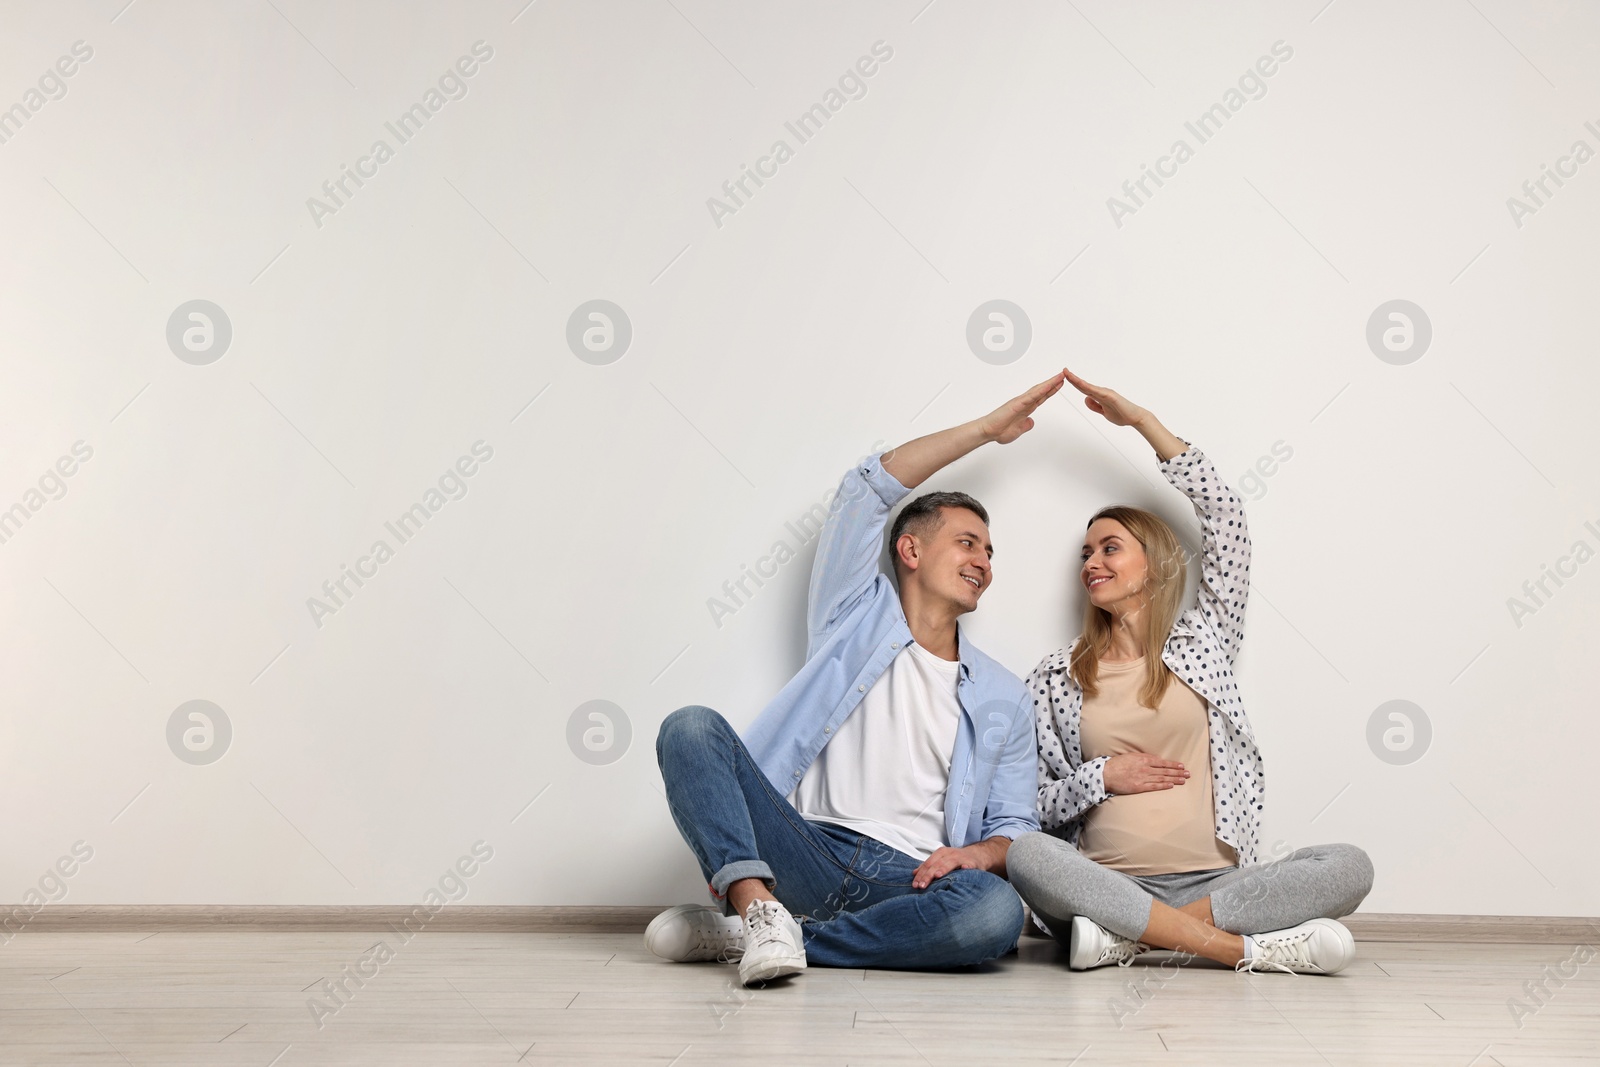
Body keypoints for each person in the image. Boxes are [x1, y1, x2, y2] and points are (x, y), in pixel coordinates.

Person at [647, 374, 1066, 987]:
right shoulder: (852, 616)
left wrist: (975, 856)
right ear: (910, 551)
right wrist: (983, 431)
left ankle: (757, 933)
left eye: (990, 552)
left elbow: (1014, 828)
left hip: (911, 878)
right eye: (967, 543)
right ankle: (760, 904)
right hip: (803, 849)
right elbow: (865, 491)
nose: (983, 561)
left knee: (995, 914)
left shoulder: (1005, 693)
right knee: (689, 729)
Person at [1006, 369, 1375, 976]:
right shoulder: (1055, 676)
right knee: (1026, 854)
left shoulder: (1203, 643)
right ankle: (1239, 950)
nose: (1091, 562)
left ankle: (1134, 940)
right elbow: (1035, 805)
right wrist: (1102, 775)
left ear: (1152, 564)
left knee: (1348, 864)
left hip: (1215, 885)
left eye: (1109, 548)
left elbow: (1226, 518)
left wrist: (1144, 425)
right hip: (1103, 885)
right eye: (1085, 554)